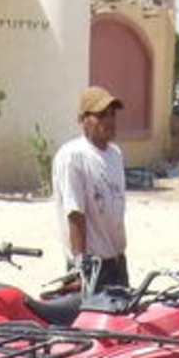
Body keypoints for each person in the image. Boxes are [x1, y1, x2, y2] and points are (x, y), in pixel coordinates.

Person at [52, 86, 128, 290]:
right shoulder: (73, 156)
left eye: (112, 114)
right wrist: (80, 268)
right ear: (83, 120)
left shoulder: (115, 155)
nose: (109, 121)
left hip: (117, 263)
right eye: (101, 115)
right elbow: (75, 213)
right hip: (91, 269)